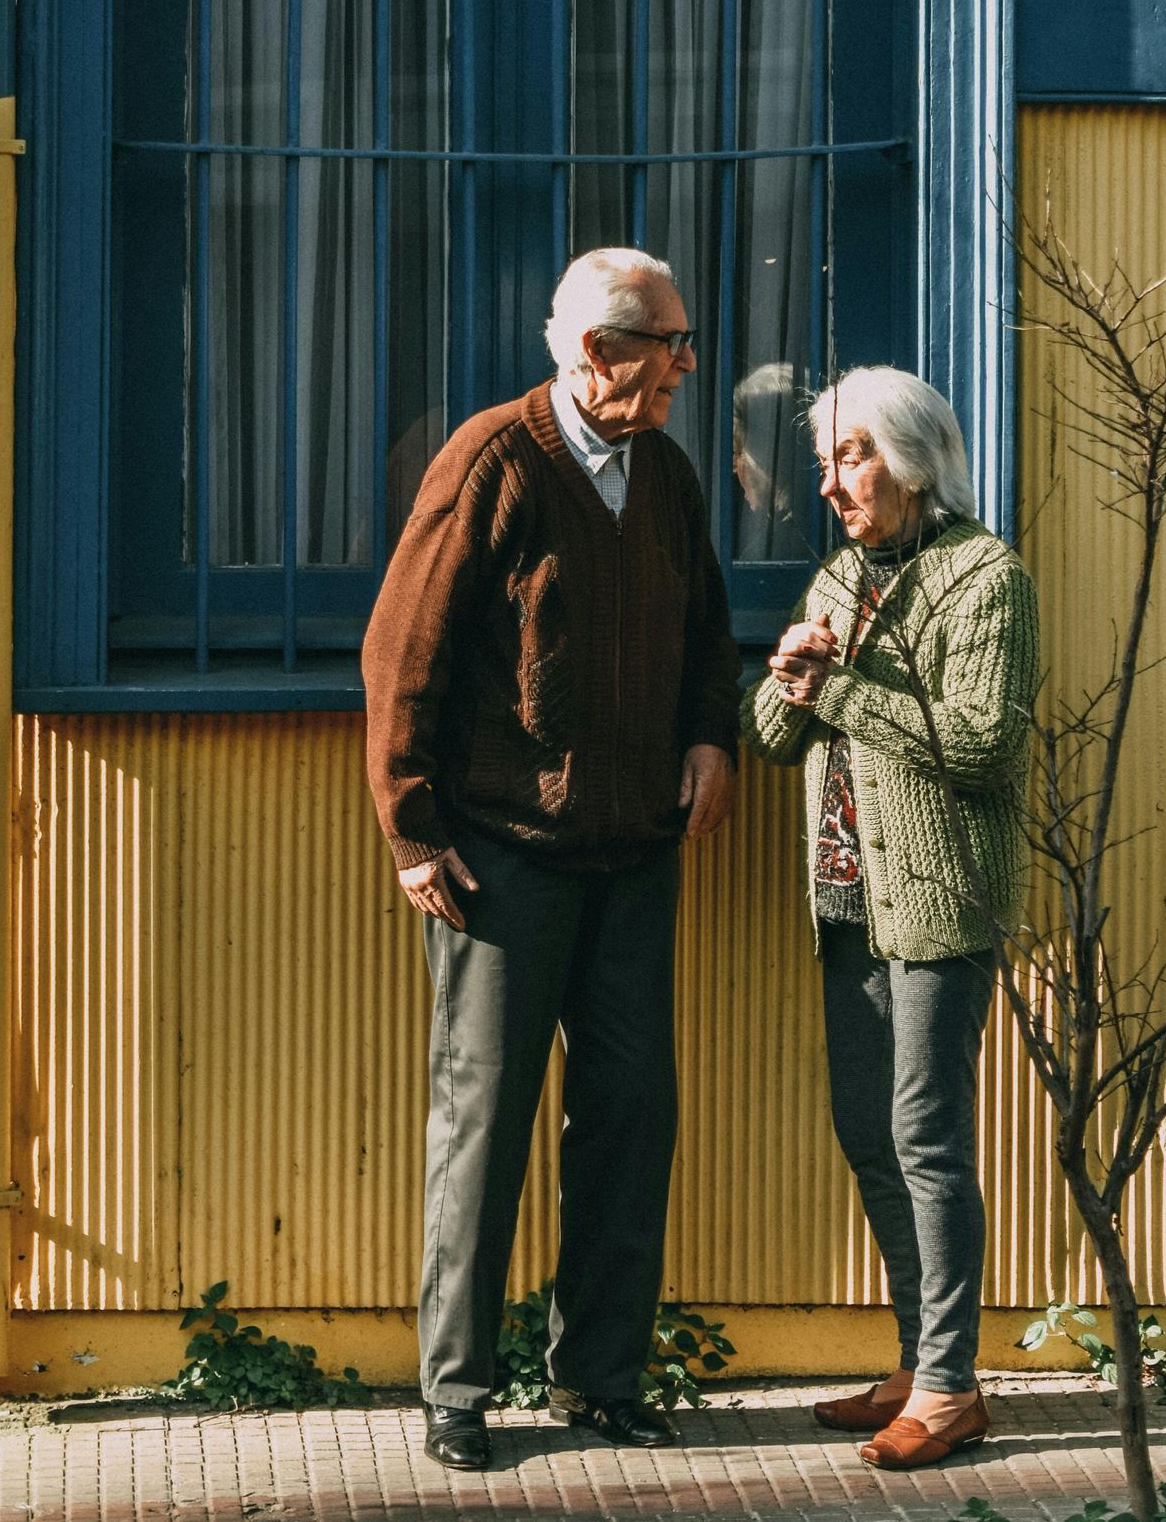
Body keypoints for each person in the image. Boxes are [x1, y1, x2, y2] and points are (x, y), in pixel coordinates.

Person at [363, 246, 741, 1472]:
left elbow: (705, 627)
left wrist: (709, 737)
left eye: (684, 343)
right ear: (599, 352)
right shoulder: (492, 460)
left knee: (632, 1114)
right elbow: (402, 651)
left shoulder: (666, 473)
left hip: (635, 848)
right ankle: (459, 1391)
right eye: (672, 344)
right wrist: (413, 829)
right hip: (501, 855)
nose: (688, 365)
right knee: (488, 1118)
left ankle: (601, 1377)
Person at [741, 367, 1041, 1472]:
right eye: (823, 462)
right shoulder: (837, 574)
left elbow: (980, 744)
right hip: (845, 899)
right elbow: (772, 735)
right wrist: (789, 674)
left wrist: (845, 691)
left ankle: (956, 1386)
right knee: (868, 1131)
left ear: (912, 459)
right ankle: (920, 1360)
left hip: (938, 898)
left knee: (926, 1136)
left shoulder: (984, 579)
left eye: (850, 456)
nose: (831, 482)